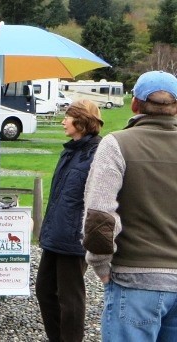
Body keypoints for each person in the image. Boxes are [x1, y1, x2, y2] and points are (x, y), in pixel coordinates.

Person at [83, 70, 177, 341]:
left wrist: (100, 264)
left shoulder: (116, 145)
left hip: (135, 279)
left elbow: (99, 215)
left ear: (134, 104)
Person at [35, 99, 102, 342]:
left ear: (82, 121)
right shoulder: (70, 151)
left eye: (68, 117)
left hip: (74, 237)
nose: (63, 121)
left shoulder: (96, 154)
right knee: (44, 290)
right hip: (56, 234)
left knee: (70, 297)